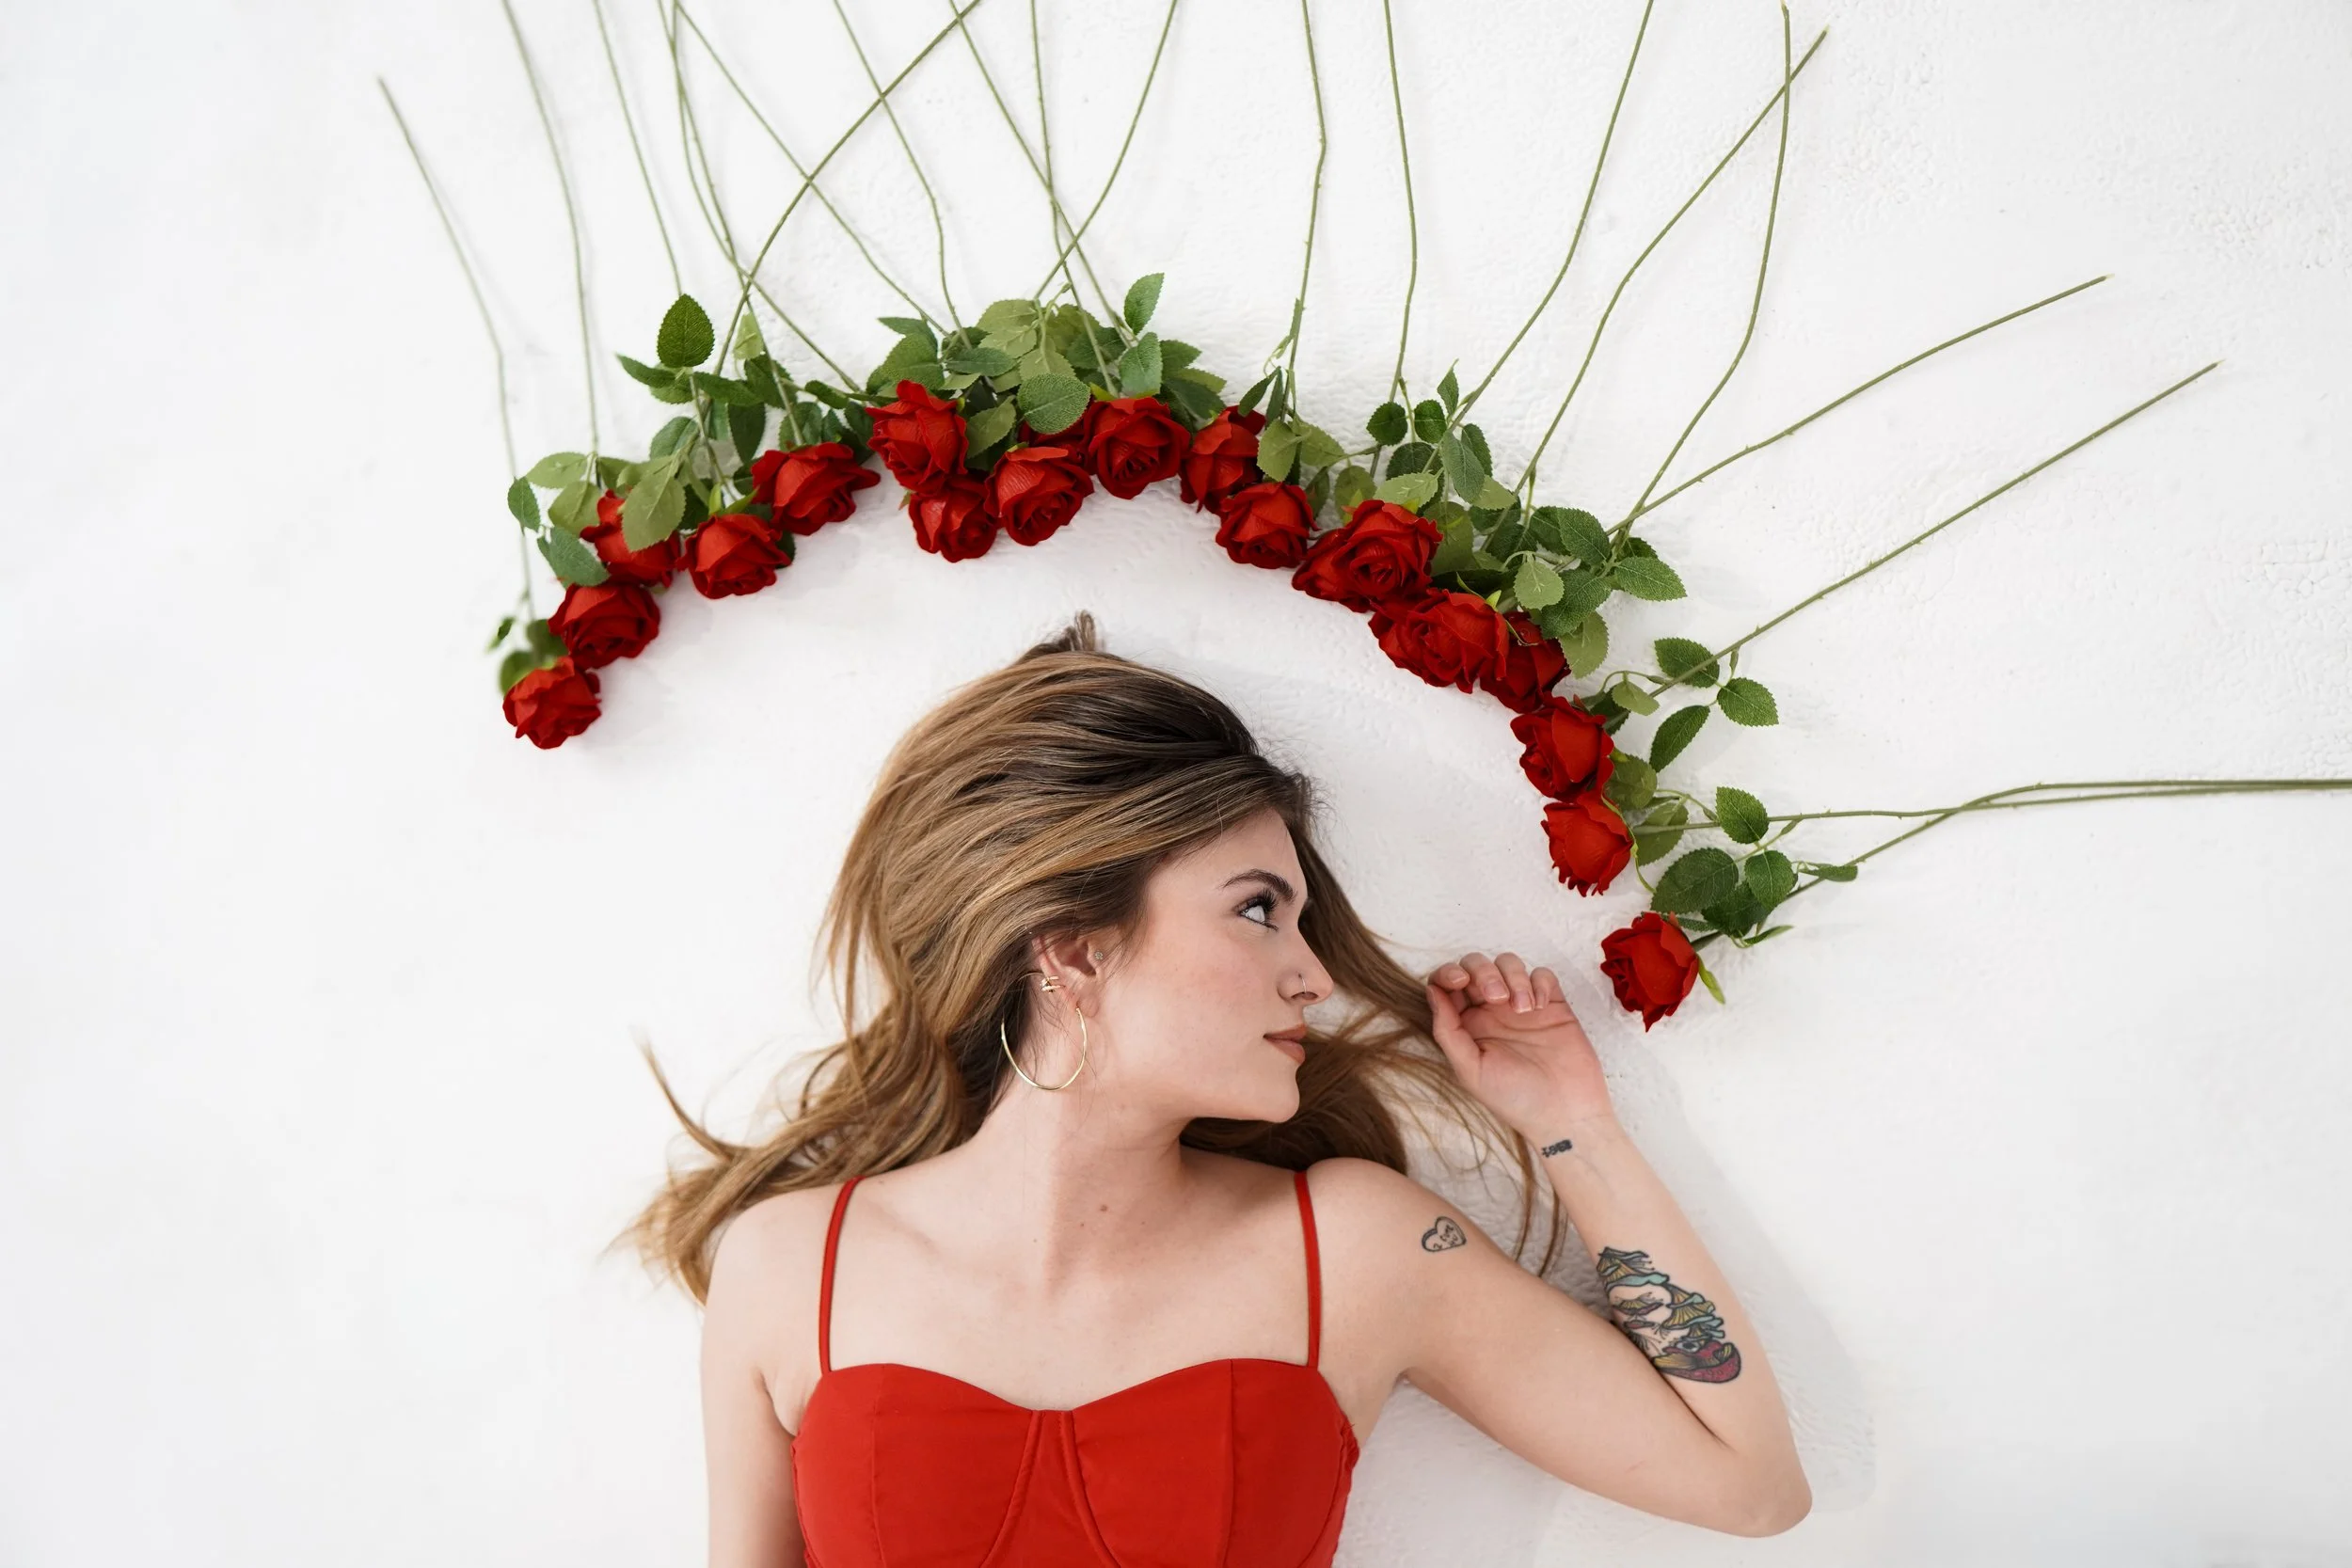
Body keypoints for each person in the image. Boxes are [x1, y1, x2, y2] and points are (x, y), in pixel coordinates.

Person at [623, 613, 1810, 1567]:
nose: (1310, 974)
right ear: (1074, 947)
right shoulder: (789, 1265)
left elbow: (1747, 1484)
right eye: (1257, 909)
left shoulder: (1357, 1247)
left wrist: (1572, 1126)